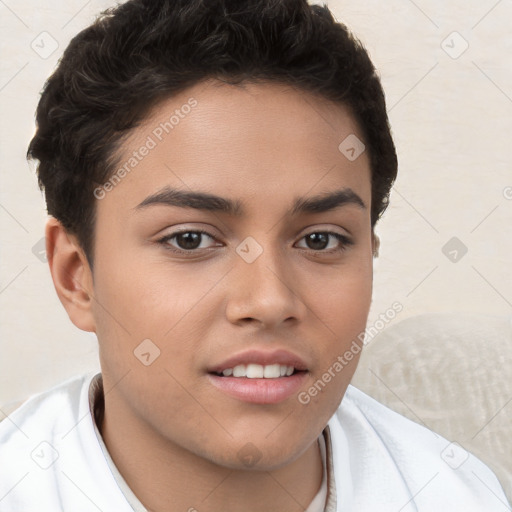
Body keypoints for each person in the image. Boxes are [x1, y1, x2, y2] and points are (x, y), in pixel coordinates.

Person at [0, 0, 508, 510]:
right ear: (76, 276)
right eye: (190, 239)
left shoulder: (457, 494)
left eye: (320, 239)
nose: (268, 300)